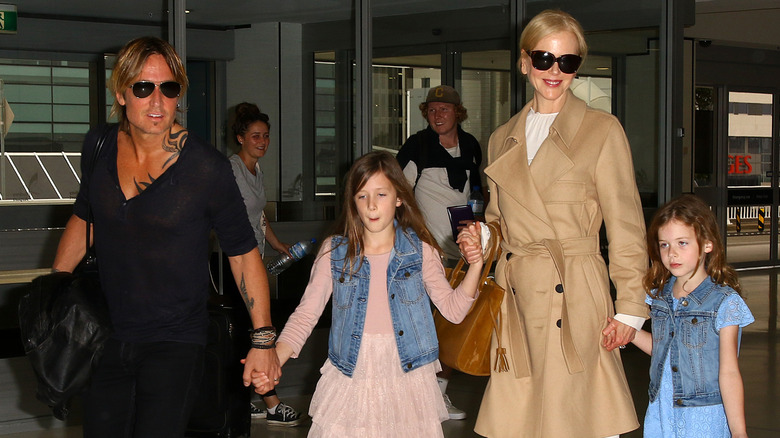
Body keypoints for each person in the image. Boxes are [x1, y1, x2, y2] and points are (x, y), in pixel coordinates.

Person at [51, 36, 280, 438]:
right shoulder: (100, 147)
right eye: (143, 88)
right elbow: (83, 220)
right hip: (106, 335)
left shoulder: (205, 168)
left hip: (175, 340)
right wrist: (55, 293)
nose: (157, 102)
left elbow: (243, 254)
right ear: (121, 93)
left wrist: (263, 340)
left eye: (168, 88)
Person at [474, 10, 649, 438]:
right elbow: (499, 221)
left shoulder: (601, 130)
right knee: (521, 421)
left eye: (567, 62)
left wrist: (630, 307)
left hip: (575, 292)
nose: (555, 71)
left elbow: (627, 226)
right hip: (517, 297)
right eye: (544, 58)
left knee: (581, 417)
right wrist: (480, 237)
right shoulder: (502, 137)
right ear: (523, 61)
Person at [267, 151, 483, 437]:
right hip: (351, 371)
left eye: (381, 194)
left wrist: (476, 264)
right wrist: (273, 359)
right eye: (362, 196)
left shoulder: (420, 251)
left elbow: (454, 311)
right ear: (352, 202)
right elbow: (306, 314)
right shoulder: (335, 251)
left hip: (408, 375)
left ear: (399, 197)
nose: (371, 205)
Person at [627, 194, 753, 438]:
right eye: (664, 244)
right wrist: (630, 332)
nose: (671, 253)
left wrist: (739, 432)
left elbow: (728, 372)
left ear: (707, 244)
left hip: (703, 414)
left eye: (682, 243)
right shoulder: (659, 296)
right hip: (662, 408)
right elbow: (665, 350)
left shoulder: (724, 303)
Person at [395, 84, 482, 419]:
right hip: (426, 252)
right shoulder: (417, 145)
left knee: (454, 327)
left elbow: (474, 193)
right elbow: (398, 192)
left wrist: (475, 229)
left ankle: (438, 396)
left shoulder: (471, 145)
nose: (437, 115)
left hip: (462, 252)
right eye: (431, 110)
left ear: (457, 113)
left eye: (444, 109)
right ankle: (415, 399)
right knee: (424, 328)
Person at [230, 102, 303, 426]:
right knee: (256, 331)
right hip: (234, 262)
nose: (262, 142)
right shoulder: (230, 170)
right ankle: (271, 402)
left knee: (247, 331)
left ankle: (244, 398)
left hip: (254, 259)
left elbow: (258, 215)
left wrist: (276, 245)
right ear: (240, 138)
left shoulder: (255, 170)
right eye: (256, 136)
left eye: (266, 136)